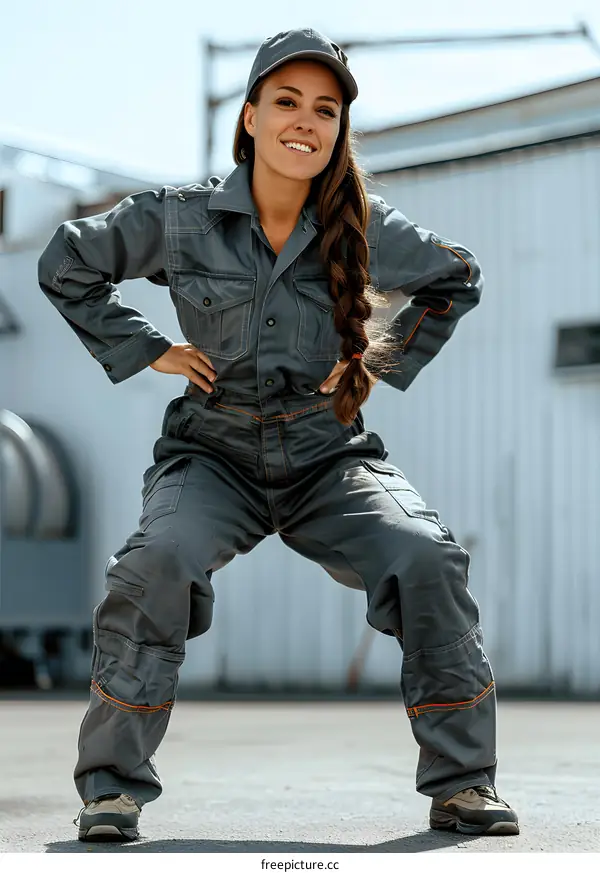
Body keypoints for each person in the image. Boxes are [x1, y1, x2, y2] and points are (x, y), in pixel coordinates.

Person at [38, 28, 519, 842]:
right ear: (252, 117)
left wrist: (381, 356)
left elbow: (453, 278)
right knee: (153, 563)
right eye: (288, 101)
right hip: (210, 453)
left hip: (328, 456)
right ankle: (112, 789)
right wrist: (146, 347)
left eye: (325, 109)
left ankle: (464, 783)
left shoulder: (363, 224)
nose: (307, 120)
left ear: (338, 129)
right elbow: (67, 261)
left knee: (427, 556)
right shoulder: (180, 219)